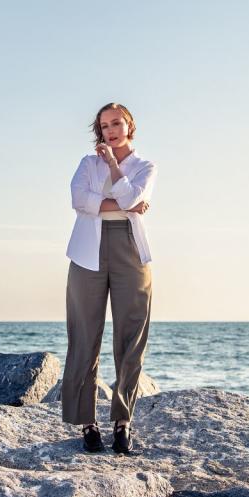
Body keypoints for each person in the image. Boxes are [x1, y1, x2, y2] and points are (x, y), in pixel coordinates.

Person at [62, 102, 157, 454]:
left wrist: (115, 170)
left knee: (131, 334)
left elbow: (134, 196)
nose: (111, 130)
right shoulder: (87, 164)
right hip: (87, 251)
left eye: (116, 123)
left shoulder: (146, 166)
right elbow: (78, 199)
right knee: (84, 334)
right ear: (99, 131)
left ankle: (123, 421)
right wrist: (121, 203)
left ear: (129, 125)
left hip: (130, 249)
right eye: (104, 126)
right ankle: (87, 423)